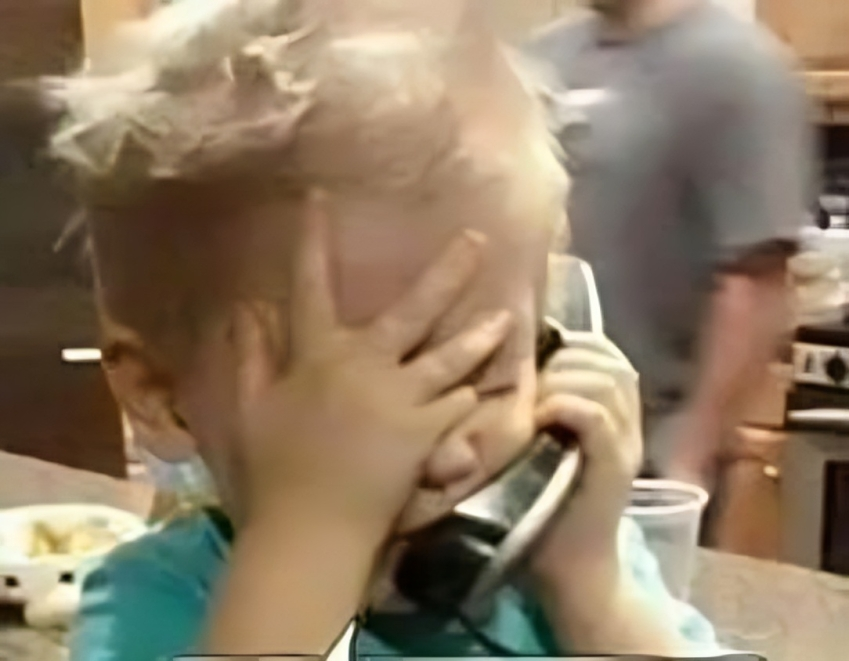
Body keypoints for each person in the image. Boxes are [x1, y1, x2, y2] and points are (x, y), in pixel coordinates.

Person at [48, 0, 718, 658]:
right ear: (162, 393)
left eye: (483, 374)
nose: (447, 454)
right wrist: (313, 537)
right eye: (343, 403)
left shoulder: (576, 553)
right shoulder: (156, 600)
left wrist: (591, 594)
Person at [529, 0, 812, 486]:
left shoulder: (736, 65)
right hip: (536, 425)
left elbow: (756, 281)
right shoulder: (545, 57)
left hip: (650, 443)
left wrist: (690, 452)